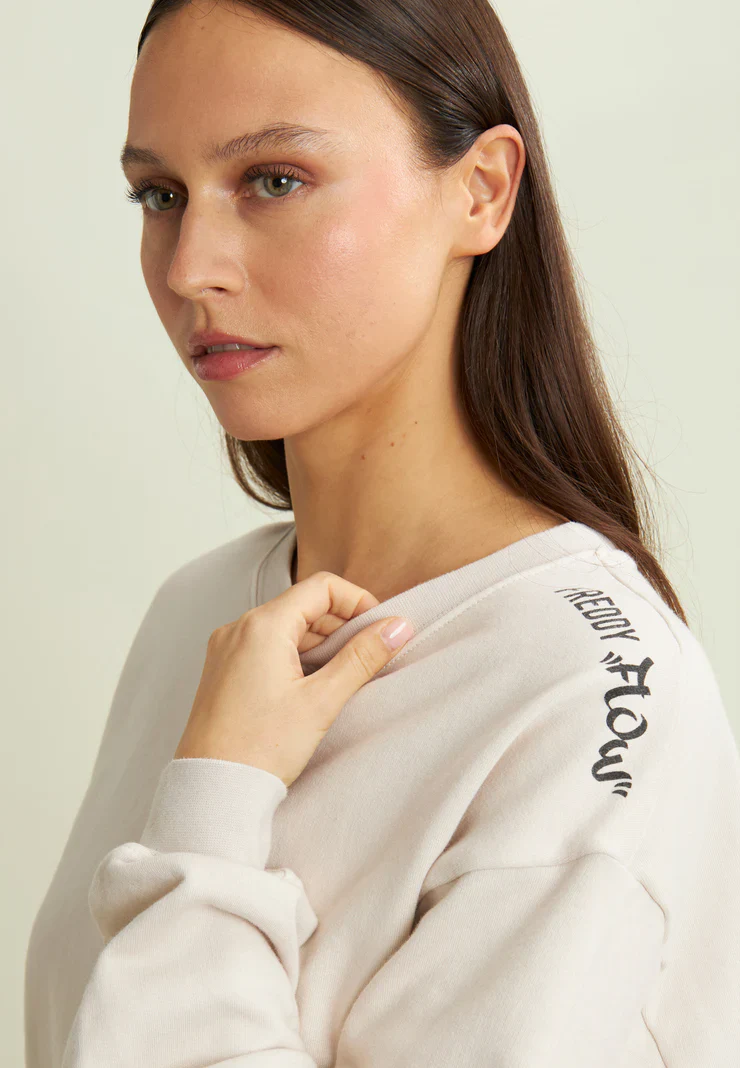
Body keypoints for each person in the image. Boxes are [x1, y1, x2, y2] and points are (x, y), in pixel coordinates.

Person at [24, 0, 740, 1065]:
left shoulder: (585, 690)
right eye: (160, 195)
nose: (188, 268)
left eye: (274, 180)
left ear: (481, 190)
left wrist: (216, 801)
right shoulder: (199, 614)